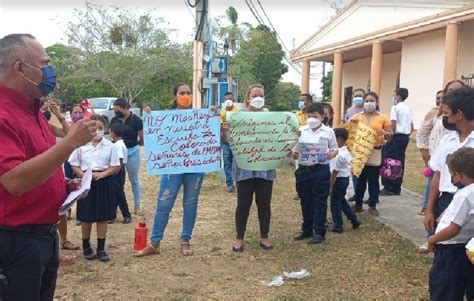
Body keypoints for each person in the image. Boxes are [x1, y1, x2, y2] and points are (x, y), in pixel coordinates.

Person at [0, 33, 96, 300]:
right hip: (15, 242)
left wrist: (63, 186)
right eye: (44, 64)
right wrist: (70, 143)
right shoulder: (3, 114)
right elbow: (14, 181)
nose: (50, 71)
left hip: (43, 237)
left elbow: (39, 162)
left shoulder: (32, 110)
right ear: (20, 67)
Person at [136, 83, 205, 257]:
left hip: (195, 167)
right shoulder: (165, 117)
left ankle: (185, 240)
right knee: (164, 203)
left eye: (189, 93)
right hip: (172, 167)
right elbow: (153, 137)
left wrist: (216, 120)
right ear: (175, 96)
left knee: (190, 204)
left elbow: (209, 137)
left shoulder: (201, 117)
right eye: (182, 93)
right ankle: (155, 242)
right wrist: (150, 117)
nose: (186, 95)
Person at [225, 84, 277, 252]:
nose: (257, 98)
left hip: (265, 168)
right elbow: (228, 141)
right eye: (254, 95)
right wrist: (226, 131)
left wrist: (290, 134)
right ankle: (239, 238)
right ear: (247, 98)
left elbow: (278, 137)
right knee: (243, 203)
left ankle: (264, 237)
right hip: (244, 167)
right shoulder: (238, 116)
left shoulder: (271, 116)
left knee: (264, 203)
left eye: (260, 95)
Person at [69, 115, 121, 262]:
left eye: (100, 128)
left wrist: (102, 174)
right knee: (86, 217)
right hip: (87, 182)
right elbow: (74, 163)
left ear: (105, 129)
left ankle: (101, 248)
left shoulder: (110, 146)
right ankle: (86, 245)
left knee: (102, 217)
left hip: (104, 181)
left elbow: (116, 166)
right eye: (94, 128)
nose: (97, 131)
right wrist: (84, 176)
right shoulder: (81, 146)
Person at [424, 87, 474, 237]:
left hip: (469, 202)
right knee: (439, 246)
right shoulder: (447, 140)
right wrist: (430, 209)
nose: (444, 117)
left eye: (446, 113)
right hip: (445, 199)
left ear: (459, 115)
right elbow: (437, 175)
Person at [427, 147, 474, 301]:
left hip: (450, 252)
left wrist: (432, 240)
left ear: (458, 175)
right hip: (464, 249)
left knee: (444, 291)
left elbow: (454, 228)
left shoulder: (465, 194)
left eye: (452, 175)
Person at [292, 102, 338, 244]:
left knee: (320, 200)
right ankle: (306, 229)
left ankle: (319, 231)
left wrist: (331, 154)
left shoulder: (328, 132)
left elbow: (335, 148)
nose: (312, 119)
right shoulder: (301, 130)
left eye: (315, 116)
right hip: (303, 169)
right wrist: (293, 153)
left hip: (320, 169)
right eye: (309, 116)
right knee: (305, 200)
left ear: (322, 117)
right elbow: (294, 147)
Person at [351, 92, 393, 216]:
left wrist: (386, 134)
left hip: (375, 151)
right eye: (367, 101)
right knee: (360, 179)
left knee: (373, 180)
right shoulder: (357, 117)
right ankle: (358, 204)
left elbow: (391, 135)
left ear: (377, 102)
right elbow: (351, 132)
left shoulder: (383, 117)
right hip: (360, 152)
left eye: (372, 100)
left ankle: (372, 204)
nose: (369, 103)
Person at [109, 98, 144, 216]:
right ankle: (116, 205)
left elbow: (141, 136)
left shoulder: (136, 120)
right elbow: (111, 135)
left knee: (134, 180)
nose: (116, 112)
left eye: (118, 109)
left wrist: (139, 144)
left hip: (132, 151)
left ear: (125, 108)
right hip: (117, 152)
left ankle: (137, 206)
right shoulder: (114, 120)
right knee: (117, 181)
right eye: (114, 110)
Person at [416, 90, 445, 215]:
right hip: (435, 155)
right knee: (433, 180)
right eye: (437, 97)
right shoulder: (434, 113)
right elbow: (422, 133)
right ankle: (427, 206)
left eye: (442, 97)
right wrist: (425, 152)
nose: (439, 100)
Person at [380, 88, 414, 196]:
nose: (393, 97)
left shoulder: (395, 108)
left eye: (394, 95)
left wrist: (390, 135)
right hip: (405, 137)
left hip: (396, 136)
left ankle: (389, 186)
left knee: (390, 160)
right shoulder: (408, 109)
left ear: (398, 96)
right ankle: (397, 186)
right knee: (400, 161)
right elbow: (412, 126)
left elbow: (393, 124)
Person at [329, 128, 362, 233]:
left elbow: (335, 171)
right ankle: (354, 220)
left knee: (335, 203)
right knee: (341, 201)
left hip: (338, 180)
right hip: (345, 179)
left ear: (337, 140)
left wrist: (330, 185)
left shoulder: (338, 154)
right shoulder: (346, 151)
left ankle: (338, 225)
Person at [345, 88, 366, 203]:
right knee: (354, 170)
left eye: (360, 96)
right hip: (353, 143)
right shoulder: (349, 111)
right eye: (356, 96)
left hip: (365, 143)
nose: (358, 98)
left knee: (365, 171)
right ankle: (357, 193)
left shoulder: (367, 111)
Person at [109, 122, 132, 224]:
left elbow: (120, 160)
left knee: (119, 194)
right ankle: (112, 215)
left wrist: (115, 172)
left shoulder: (118, 145)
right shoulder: (120, 144)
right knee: (114, 194)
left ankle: (126, 215)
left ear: (113, 133)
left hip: (117, 171)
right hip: (119, 170)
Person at [220, 91, 239, 193]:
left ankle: (237, 183)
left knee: (236, 164)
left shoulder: (238, 111)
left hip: (236, 142)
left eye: (230, 99)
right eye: (226, 99)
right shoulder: (222, 112)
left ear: (233, 100)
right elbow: (219, 126)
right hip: (225, 142)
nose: (228, 101)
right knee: (227, 163)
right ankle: (229, 184)